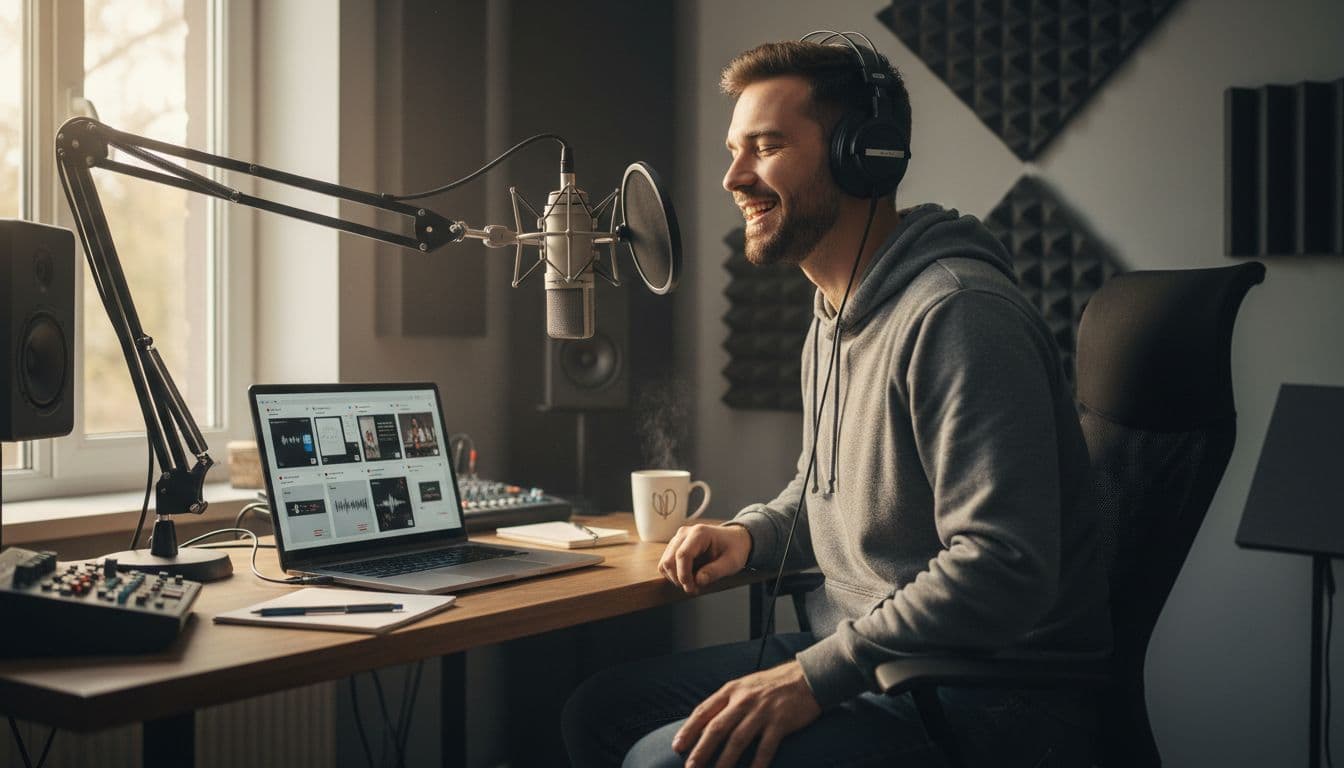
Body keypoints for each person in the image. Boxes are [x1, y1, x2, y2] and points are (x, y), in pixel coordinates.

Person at [562, 36, 1110, 768]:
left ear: (866, 155)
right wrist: (751, 534)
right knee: (599, 711)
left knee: (662, 762)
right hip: (866, 660)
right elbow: (825, 490)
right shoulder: (834, 312)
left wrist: (814, 677)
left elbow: (1001, 564)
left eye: (765, 146)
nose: (733, 177)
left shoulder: (958, 314)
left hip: (976, 693)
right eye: (734, 149)